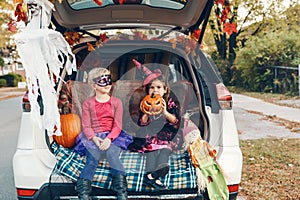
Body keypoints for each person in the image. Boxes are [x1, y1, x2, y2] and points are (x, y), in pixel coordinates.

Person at [75, 67, 132, 200]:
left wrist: (109, 139)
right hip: (93, 136)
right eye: (102, 80)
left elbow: (118, 125)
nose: (107, 84)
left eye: (108, 80)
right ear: (93, 85)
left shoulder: (116, 102)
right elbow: (86, 125)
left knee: (113, 155)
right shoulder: (88, 104)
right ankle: (83, 192)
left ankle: (121, 191)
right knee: (91, 160)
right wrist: (94, 138)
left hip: (113, 136)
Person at [130, 59, 180, 190]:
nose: (155, 90)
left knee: (164, 151)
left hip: (166, 135)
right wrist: (146, 112)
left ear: (165, 90)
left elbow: (175, 121)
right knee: (151, 152)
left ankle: (161, 168)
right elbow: (142, 123)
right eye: (152, 87)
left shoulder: (170, 103)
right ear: (148, 91)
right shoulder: (145, 102)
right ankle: (152, 176)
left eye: (159, 87)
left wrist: (164, 112)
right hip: (150, 135)